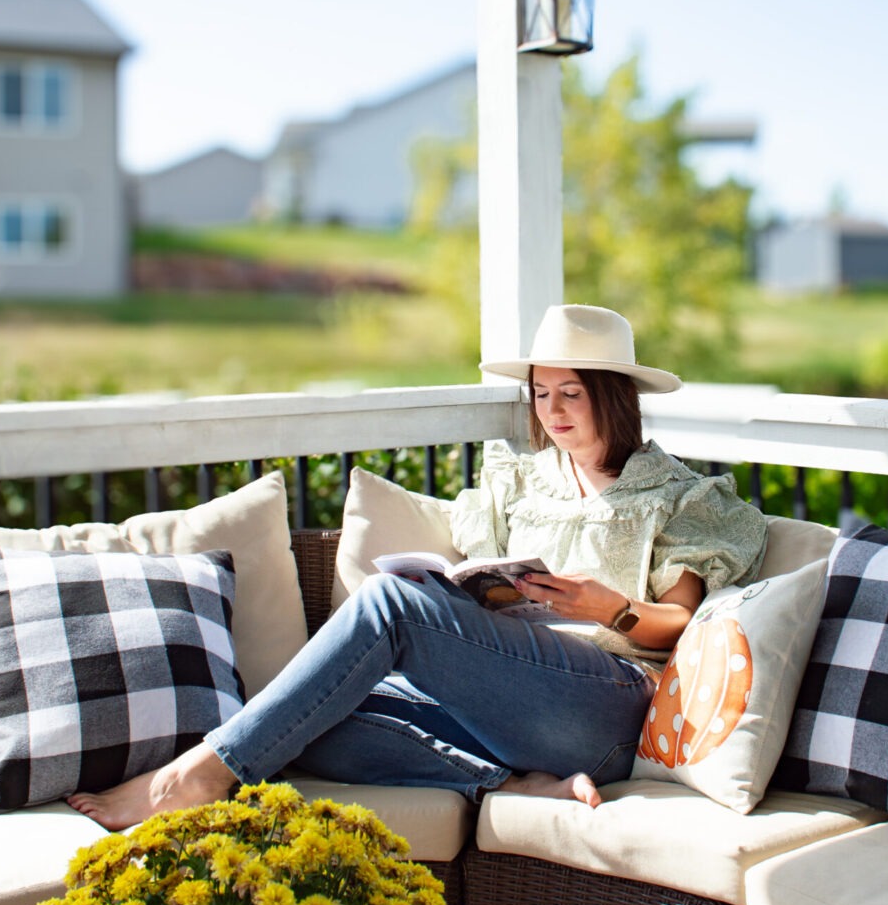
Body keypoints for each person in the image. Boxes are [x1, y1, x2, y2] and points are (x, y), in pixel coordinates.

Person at [69, 305, 767, 828]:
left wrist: (606, 606)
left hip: (604, 703)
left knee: (388, 606)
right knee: (312, 721)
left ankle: (195, 775)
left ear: (613, 394)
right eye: (541, 392)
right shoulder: (517, 481)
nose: (551, 410)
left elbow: (678, 623)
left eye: (571, 393)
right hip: (504, 700)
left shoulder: (676, 494)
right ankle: (505, 780)